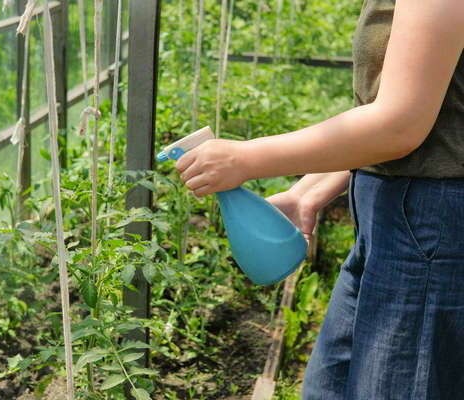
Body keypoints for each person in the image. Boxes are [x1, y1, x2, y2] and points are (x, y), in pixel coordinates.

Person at [175, 0, 464, 398]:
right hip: (394, 219)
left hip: (431, 230)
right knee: (330, 387)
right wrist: (306, 193)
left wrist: (243, 158)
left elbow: (401, 125)